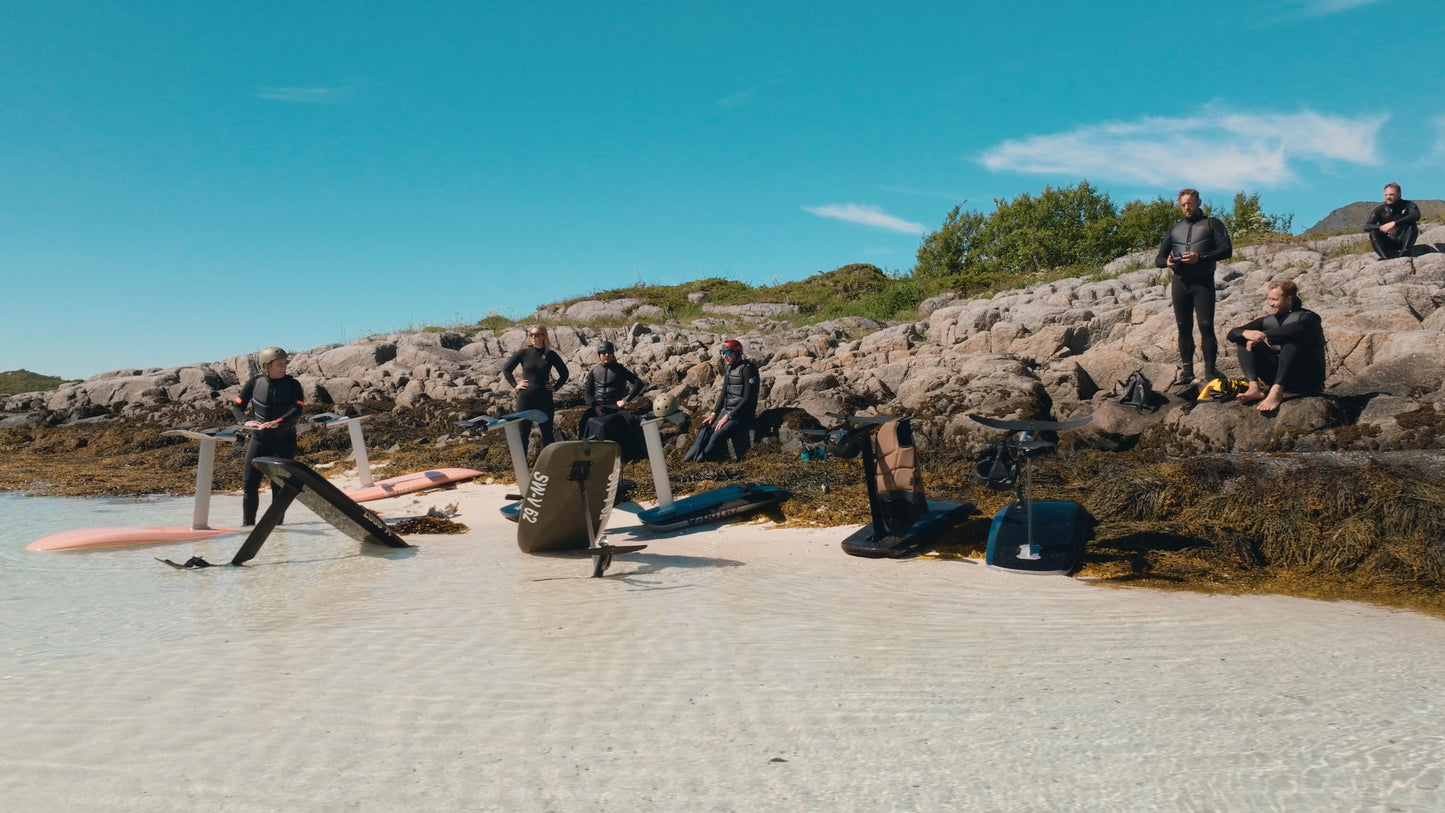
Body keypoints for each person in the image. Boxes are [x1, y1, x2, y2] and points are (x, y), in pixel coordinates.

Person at [1156, 188, 1232, 385]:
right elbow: (1158, 258)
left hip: (1203, 282)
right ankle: (1187, 372)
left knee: (1206, 326)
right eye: (1182, 205)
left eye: (1189, 203)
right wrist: (1168, 263)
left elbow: (1226, 250)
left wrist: (1201, 257)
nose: (1186, 208)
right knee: (1183, 327)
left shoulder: (1212, 223)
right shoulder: (1174, 229)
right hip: (1180, 282)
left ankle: (1209, 371)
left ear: (1198, 202)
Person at [1226, 279, 1326, 413]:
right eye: (1269, 299)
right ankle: (1254, 388)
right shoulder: (1268, 321)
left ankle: (1277, 391)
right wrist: (1246, 333)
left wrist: (1264, 335)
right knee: (1244, 339)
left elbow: (1298, 330)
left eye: (1275, 299)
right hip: (1277, 376)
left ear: (1289, 299)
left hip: (1307, 378)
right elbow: (1232, 334)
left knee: (1292, 340)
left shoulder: (1309, 318)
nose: (1270, 303)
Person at [230, 346, 305, 526]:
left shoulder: (293, 385)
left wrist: (277, 421)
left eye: (285, 363)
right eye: (279, 364)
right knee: (249, 485)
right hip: (259, 440)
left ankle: (277, 530)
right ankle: (248, 528)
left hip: (284, 441)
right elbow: (237, 407)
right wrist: (246, 421)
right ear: (266, 366)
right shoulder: (254, 383)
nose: (283, 367)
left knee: (277, 487)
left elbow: (297, 410)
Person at [501, 325, 569, 452]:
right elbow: (506, 369)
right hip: (526, 398)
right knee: (522, 434)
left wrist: (555, 387)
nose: (533, 337)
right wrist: (515, 385)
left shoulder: (550, 354)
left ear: (544, 336)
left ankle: (548, 466)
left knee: (547, 434)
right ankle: (523, 467)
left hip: (545, 398)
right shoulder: (524, 353)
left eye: (537, 334)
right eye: (531, 334)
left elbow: (564, 373)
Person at [577, 341, 647, 459]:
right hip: (598, 407)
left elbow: (638, 383)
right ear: (599, 355)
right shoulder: (594, 371)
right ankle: (581, 450)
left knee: (612, 424)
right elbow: (587, 394)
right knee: (584, 421)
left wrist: (625, 400)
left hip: (615, 408)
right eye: (603, 353)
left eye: (609, 352)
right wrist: (595, 406)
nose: (606, 355)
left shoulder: (620, 369)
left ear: (613, 354)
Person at [698, 339, 760, 461]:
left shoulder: (748, 369)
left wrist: (728, 416)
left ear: (737, 353)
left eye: (727, 353)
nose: (724, 357)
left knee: (716, 435)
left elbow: (747, 398)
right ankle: (686, 461)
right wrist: (713, 414)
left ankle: (698, 463)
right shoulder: (729, 369)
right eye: (722, 353)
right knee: (705, 432)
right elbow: (723, 395)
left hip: (742, 414)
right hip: (728, 411)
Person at [1364, 182, 1420, 261]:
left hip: (1403, 238)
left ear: (1399, 194)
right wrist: (1382, 228)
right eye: (1386, 195)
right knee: (1373, 232)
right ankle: (1384, 256)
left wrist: (1394, 223)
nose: (1388, 197)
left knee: (1412, 224)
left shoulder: (1408, 205)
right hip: (1388, 240)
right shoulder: (1379, 210)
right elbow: (1367, 226)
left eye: (1391, 195)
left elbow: (1416, 215)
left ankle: (1405, 251)